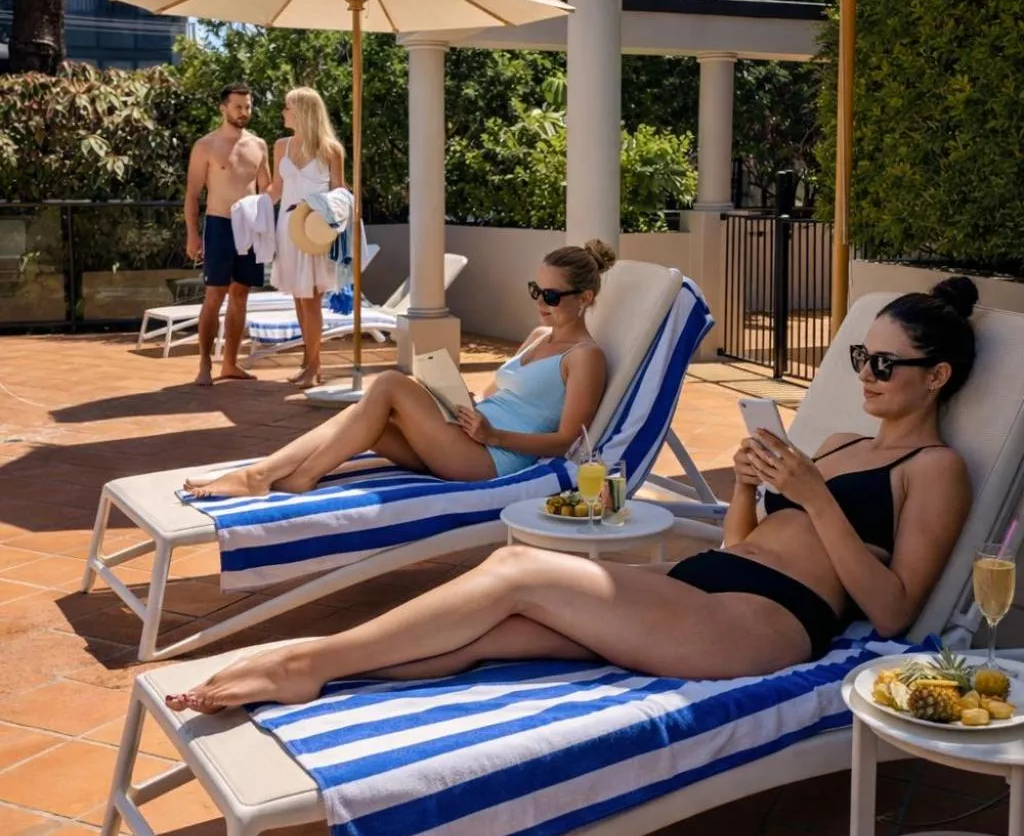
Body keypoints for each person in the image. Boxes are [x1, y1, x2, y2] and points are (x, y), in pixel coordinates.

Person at [169, 276, 979, 713]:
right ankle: (331, 692)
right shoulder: (840, 444)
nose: (866, 378)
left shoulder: (935, 470)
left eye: (884, 366)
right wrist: (746, 488)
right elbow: (741, 548)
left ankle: (304, 663)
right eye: (860, 362)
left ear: (936, 376)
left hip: (764, 626)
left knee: (521, 570)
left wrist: (817, 499)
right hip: (710, 589)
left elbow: (895, 610)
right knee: (500, 625)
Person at [183, 240, 614, 500]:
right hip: (468, 434)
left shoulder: (584, 357)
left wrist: (492, 435)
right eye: (536, 290)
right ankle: (278, 476)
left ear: (586, 298)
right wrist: (456, 398)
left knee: (389, 383)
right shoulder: (539, 337)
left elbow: (568, 441)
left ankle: (264, 476)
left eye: (553, 296)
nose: (541, 301)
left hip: (491, 458)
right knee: (369, 417)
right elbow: (497, 393)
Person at [184, 83, 270, 387]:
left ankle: (230, 364)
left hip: (249, 226)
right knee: (214, 295)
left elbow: (267, 188)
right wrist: (192, 234)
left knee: (241, 294)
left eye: (247, 106)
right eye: (238, 107)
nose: (244, 112)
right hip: (219, 225)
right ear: (223, 108)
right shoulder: (205, 145)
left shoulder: (258, 145)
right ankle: (205, 364)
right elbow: (193, 193)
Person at [269, 87, 346, 389]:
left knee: (310, 300)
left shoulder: (330, 149)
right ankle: (307, 361)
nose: (283, 112)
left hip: (313, 228)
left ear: (302, 111)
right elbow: (276, 189)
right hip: (287, 227)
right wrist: (249, 207)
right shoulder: (281, 146)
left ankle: (315, 366)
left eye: (287, 107)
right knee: (299, 300)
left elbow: (339, 190)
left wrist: (339, 212)